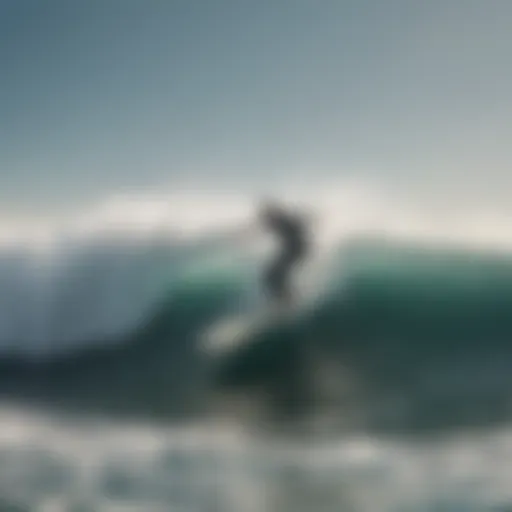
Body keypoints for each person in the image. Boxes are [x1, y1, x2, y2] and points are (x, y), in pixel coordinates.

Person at [259, 200, 311, 308]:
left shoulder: (284, 220)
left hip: (297, 248)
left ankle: (289, 301)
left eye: (266, 216)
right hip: (294, 249)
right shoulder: (278, 221)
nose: (266, 220)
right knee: (271, 276)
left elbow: (300, 224)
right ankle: (286, 300)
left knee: (273, 275)